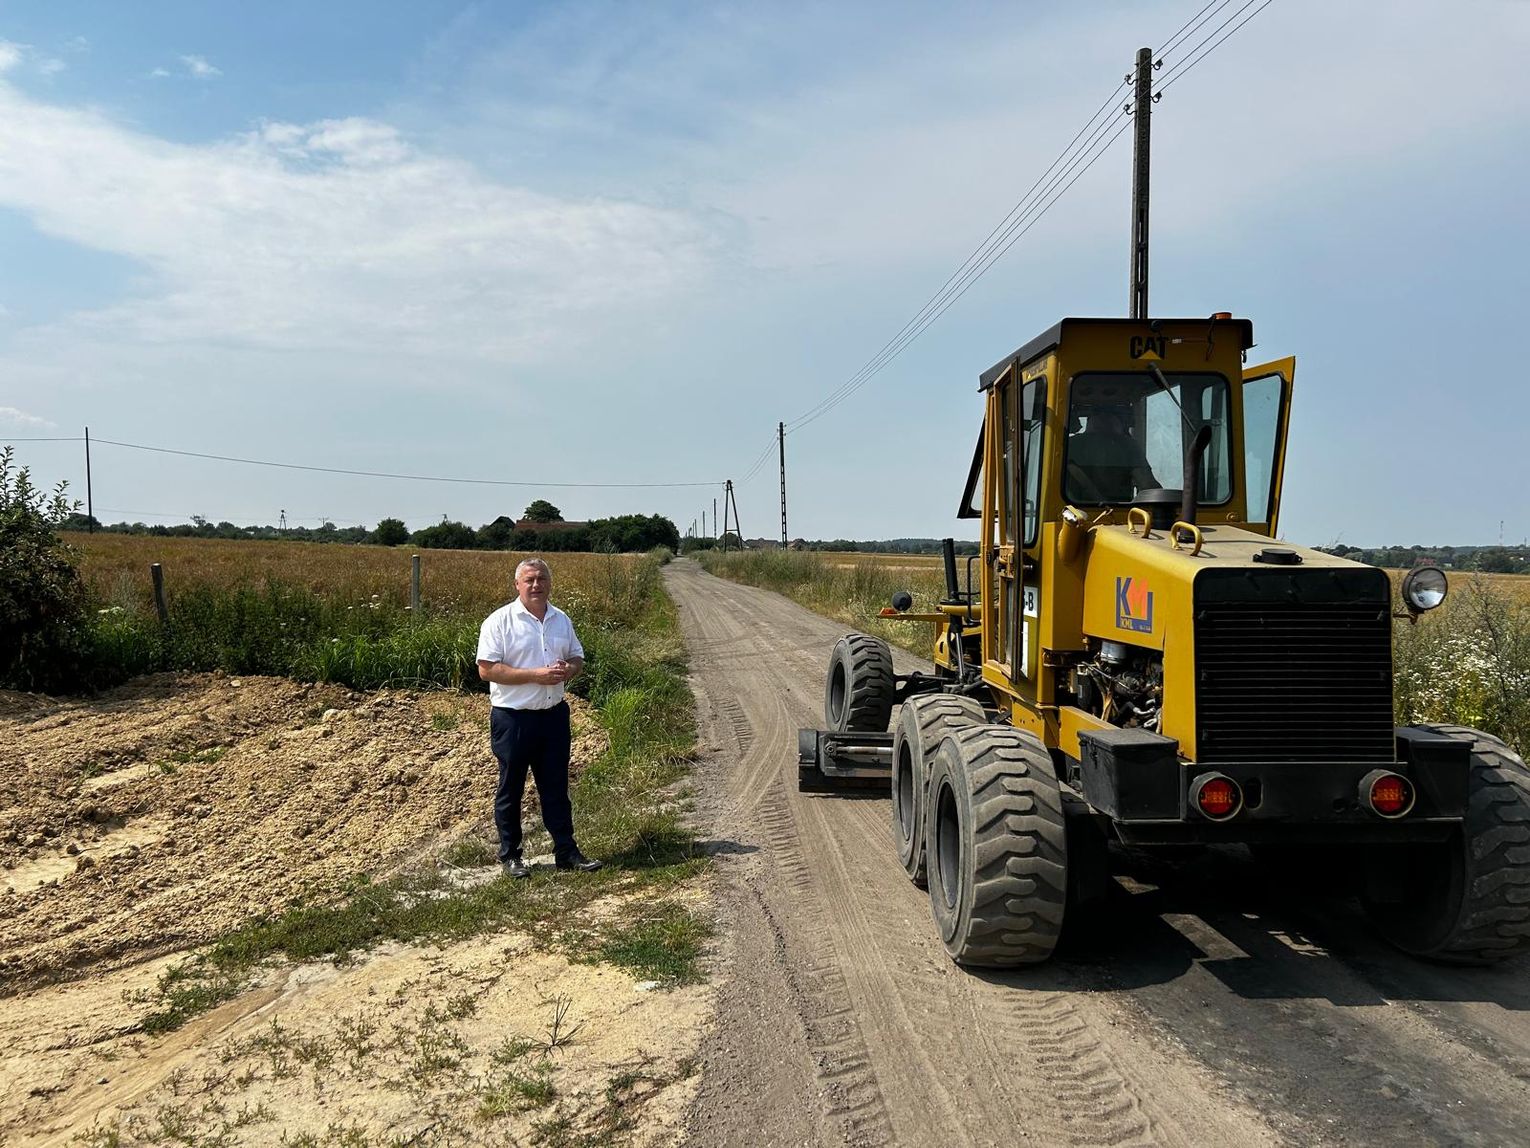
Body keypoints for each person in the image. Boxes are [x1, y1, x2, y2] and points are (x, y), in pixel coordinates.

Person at [476, 557, 603, 877]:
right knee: (511, 788)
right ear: (517, 585)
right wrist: (536, 675)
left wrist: (568, 670)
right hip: (514, 719)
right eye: (529, 580)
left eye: (542, 579)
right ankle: (511, 856)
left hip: (553, 717)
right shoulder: (499, 621)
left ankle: (566, 852)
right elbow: (487, 669)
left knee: (556, 786)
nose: (536, 585)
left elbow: (577, 657)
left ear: (550, 583)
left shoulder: (561, 619)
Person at [1066, 406, 1161, 502]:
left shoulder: (1069, 444)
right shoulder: (1127, 446)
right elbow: (1147, 485)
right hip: (1120, 510)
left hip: (1070, 510)